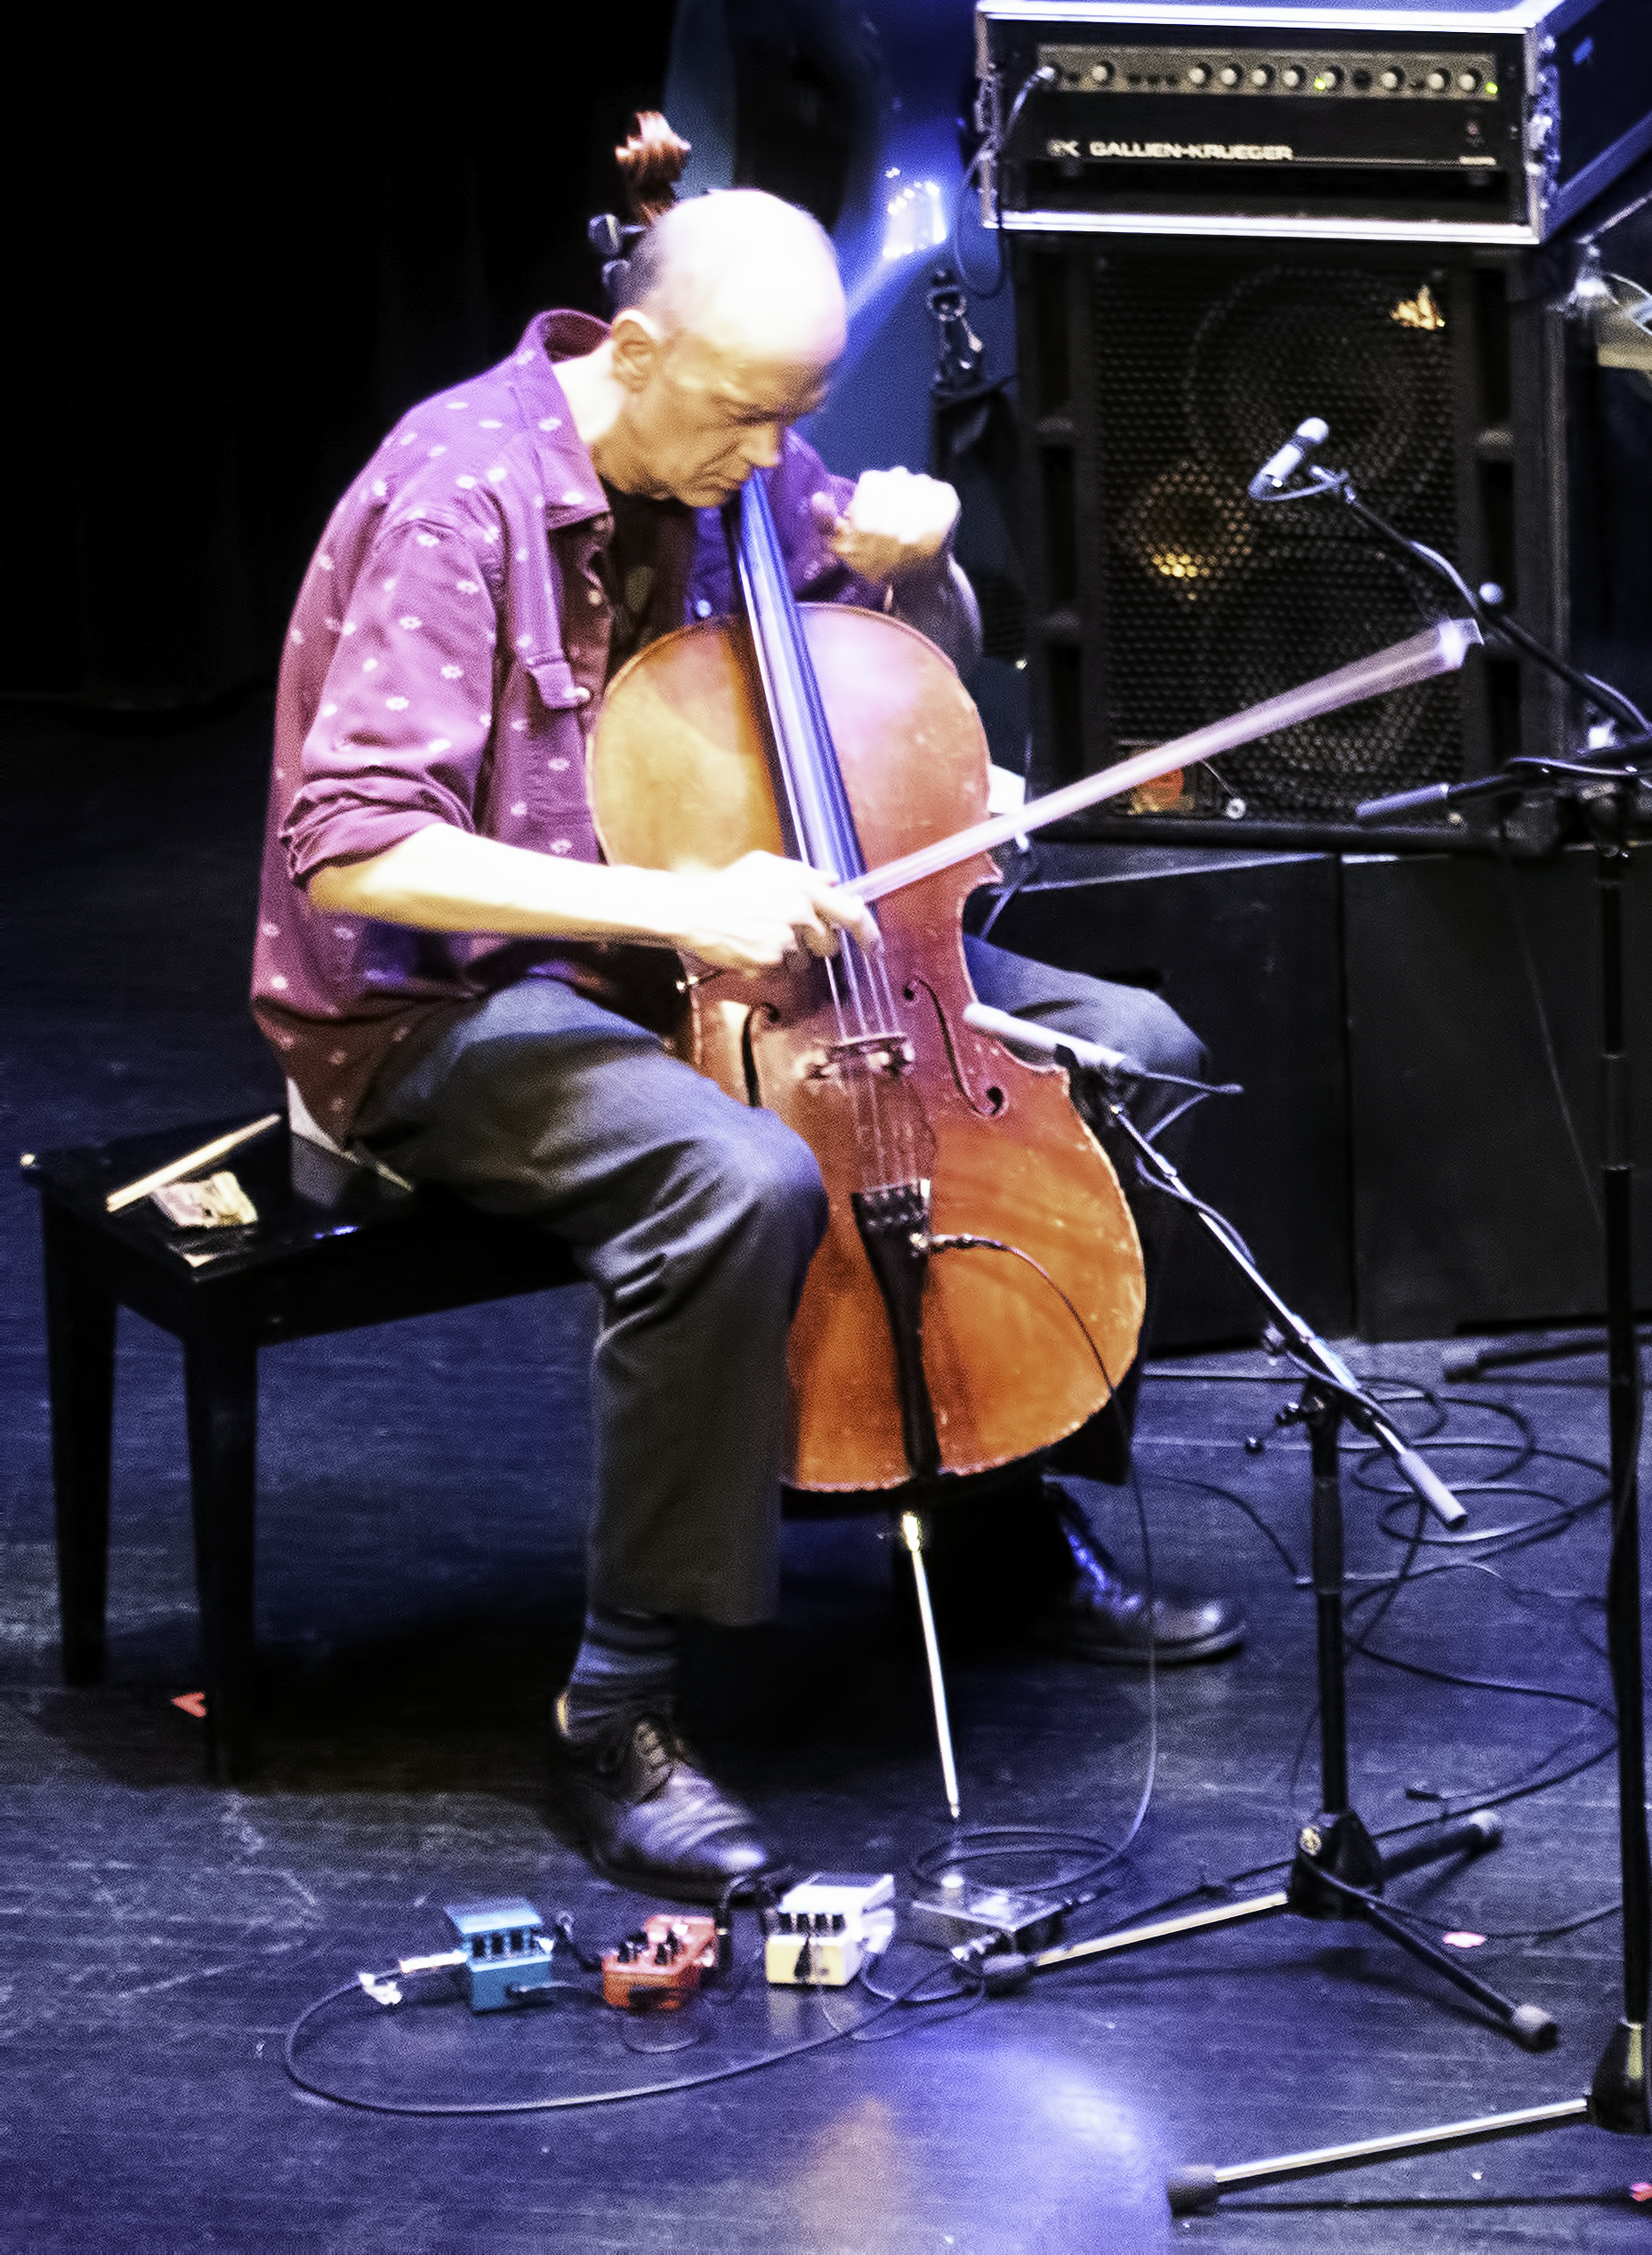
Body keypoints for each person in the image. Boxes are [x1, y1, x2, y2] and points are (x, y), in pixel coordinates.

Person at [257, 177, 1237, 1904]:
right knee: (737, 1178)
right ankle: (614, 1706)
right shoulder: (453, 494)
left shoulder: (738, 448)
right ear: (634, 350)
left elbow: (860, 693)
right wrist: (684, 913)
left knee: (1132, 1049)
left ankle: (1007, 1513)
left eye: (800, 415)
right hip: (453, 999)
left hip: (721, 969)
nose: (777, 456)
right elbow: (349, 849)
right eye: (747, 416)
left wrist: (913, 584)